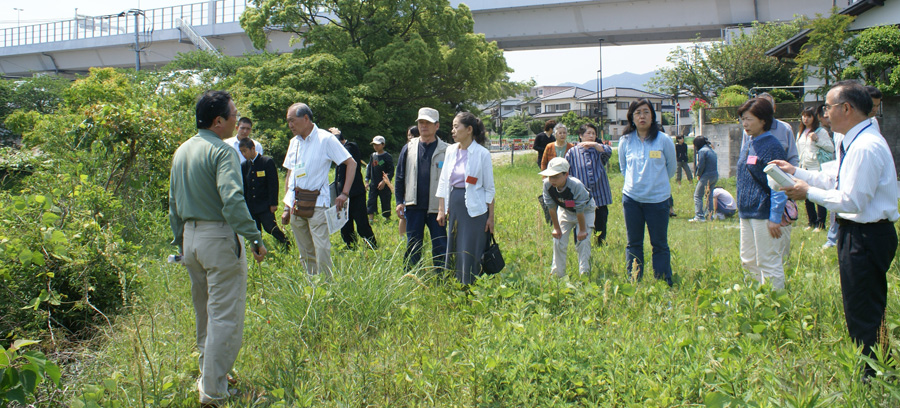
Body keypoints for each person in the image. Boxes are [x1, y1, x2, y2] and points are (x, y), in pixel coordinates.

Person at [772, 80, 899, 380]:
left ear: (847, 108)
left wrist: (807, 193)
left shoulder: (866, 146)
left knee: (864, 310)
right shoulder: (853, 140)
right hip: (857, 233)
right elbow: (837, 181)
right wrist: (797, 174)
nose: (824, 113)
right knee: (861, 307)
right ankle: (879, 369)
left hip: (866, 234)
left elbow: (853, 200)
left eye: (828, 107)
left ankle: (875, 376)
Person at [168, 90, 267, 407]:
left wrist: (179, 242)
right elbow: (232, 200)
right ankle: (213, 393)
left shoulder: (183, 150)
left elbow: (173, 204)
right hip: (219, 238)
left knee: (205, 314)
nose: (238, 120)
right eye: (234, 115)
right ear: (219, 121)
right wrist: (254, 237)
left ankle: (210, 374)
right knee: (225, 316)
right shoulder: (223, 152)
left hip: (191, 239)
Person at [280, 103, 356, 277]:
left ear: (306, 118)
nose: (290, 125)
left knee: (321, 247)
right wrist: (286, 206)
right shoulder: (294, 143)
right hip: (295, 203)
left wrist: (344, 194)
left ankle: (326, 285)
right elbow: (290, 174)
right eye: (288, 121)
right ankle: (312, 283)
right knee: (304, 249)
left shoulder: (325, 139)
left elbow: (350, 163)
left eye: (292, 120)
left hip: (317, 203)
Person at [618, 99, 676, 286]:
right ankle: (634, 279)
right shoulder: (625, 141)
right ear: (632, 118)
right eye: (637, 113)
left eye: (645, 112)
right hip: (632, 200)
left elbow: (671, 168)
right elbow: (623, 168)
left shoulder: (663, 140)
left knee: (659, 243)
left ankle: (662, 280)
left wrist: (655, 184)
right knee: (633, 243)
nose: (642, 116)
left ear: (652, 116)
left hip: (658, 200)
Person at [735, 97, 789, 290]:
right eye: (743, 119)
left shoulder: (771, 145)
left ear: (763, 120)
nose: (745, 124)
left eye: (749, 119)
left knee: (768, 261)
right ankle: (755, 302)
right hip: (747, 213)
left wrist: (775, 216)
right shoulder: (750, 142)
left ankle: (776, 307)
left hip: (764, 213)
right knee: (748, 260)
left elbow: (779, 183)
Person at [436, 112, 496, 284]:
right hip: (454, 204)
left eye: (456, 127)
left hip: (475, 208)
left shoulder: (482, 154)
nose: (453, 131)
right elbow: (443, 181)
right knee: (454, 244)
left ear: (469, 129)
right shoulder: (450, 151)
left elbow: (489, 189)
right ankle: (455, 281)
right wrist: (441, 209)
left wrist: (491, 217)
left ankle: (471, 283)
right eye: (453, 127)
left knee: (470, 245)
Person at [395, 108, 449, 270]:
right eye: (421, 122)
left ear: (437, 126)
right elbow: (400, 176)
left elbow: (451, 182)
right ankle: (410, 275)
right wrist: (399, 201)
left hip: (437, 208)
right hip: (413, 206)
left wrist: (447, 207)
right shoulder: (409, 148)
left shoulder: (447, 150)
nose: (424, 126)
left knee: (440, 244)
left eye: (428, 123)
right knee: (413, 244)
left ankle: (442, 275)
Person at [541, 157, 596, 277]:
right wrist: (556, 228)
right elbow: (551, 207)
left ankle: (584, 274)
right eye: (550, 176)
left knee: (583, 241)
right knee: (558, 240)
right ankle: (557, 275)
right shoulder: (547, 185)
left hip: (585, 211)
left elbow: (580, 210)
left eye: (556, 176)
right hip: (565, 210)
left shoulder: (576, 186)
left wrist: (582, 230)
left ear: (566, 175)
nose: (552, 180)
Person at [565, 123, 613, 246]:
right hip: (582, 194)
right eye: (588, 133)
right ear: (580, 136)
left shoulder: (598, 150)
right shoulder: (572, 152)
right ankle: (580, 244)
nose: (591, 136)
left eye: (593, 133)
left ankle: (600, 243)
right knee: (581, 220)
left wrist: (596, 145)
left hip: (600, 192)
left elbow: (608, 151)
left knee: (601, 220)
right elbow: (567, 173)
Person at [239, 138, 289, 248]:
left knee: (270, 227)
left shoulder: (266, 162)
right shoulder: (244, 166)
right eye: (241, 151)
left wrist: (273, 203)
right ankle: (258, 249)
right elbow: (245, 186)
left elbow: (273, 184)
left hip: (264, 204)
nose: (243, 154)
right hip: (251, 205)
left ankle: (286, 242)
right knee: (255, 230)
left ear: (252, 149)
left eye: (245, 151)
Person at [331, 127, 377, 249]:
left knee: (361, 222)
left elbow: (347, 155)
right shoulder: (337, 151)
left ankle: (371, 244)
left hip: (356, 193)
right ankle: (350, 244)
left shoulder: (351, 146)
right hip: (342, 194)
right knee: (345, 223)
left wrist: (336, 135)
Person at [796, 106, 834, 230]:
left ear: (814, 118)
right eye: (804, 116)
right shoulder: (801, 132)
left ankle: (821, 223)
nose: (805, 119)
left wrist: (817, 140)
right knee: (807, 195)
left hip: (816, 168)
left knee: (818, 196)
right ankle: (811, 222)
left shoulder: (821, 131)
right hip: (804, 167)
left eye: (809, 116)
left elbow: (830, 148)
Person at [689, 136, 718, 222]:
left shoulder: (702, 151)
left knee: (697, 196)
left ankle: (699, 216)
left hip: (706, 175)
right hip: (715, 175)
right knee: (709, 196)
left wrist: (698, 174)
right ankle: (709, 215)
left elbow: (701, 165)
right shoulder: (711, 150)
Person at [366, 135, 394, 223]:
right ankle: (371, 218)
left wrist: (384, 181)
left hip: (384, 184)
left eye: (378, 144)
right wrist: (367, 180)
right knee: (371, 200)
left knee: (385, 200)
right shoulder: (373, 156)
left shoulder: (387, 156)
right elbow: (369, 168)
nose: (376, 146)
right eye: (374, 144)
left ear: (383, 145)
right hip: (373, 183)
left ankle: (387, 218)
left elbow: (391, 170)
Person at [398, 126, 419, 236]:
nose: (409, 137)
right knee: (404, 215)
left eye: (412, 135)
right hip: (408, 190)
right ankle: (402, 237)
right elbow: (400, 174)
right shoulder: (406, 149)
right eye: (408, 135)